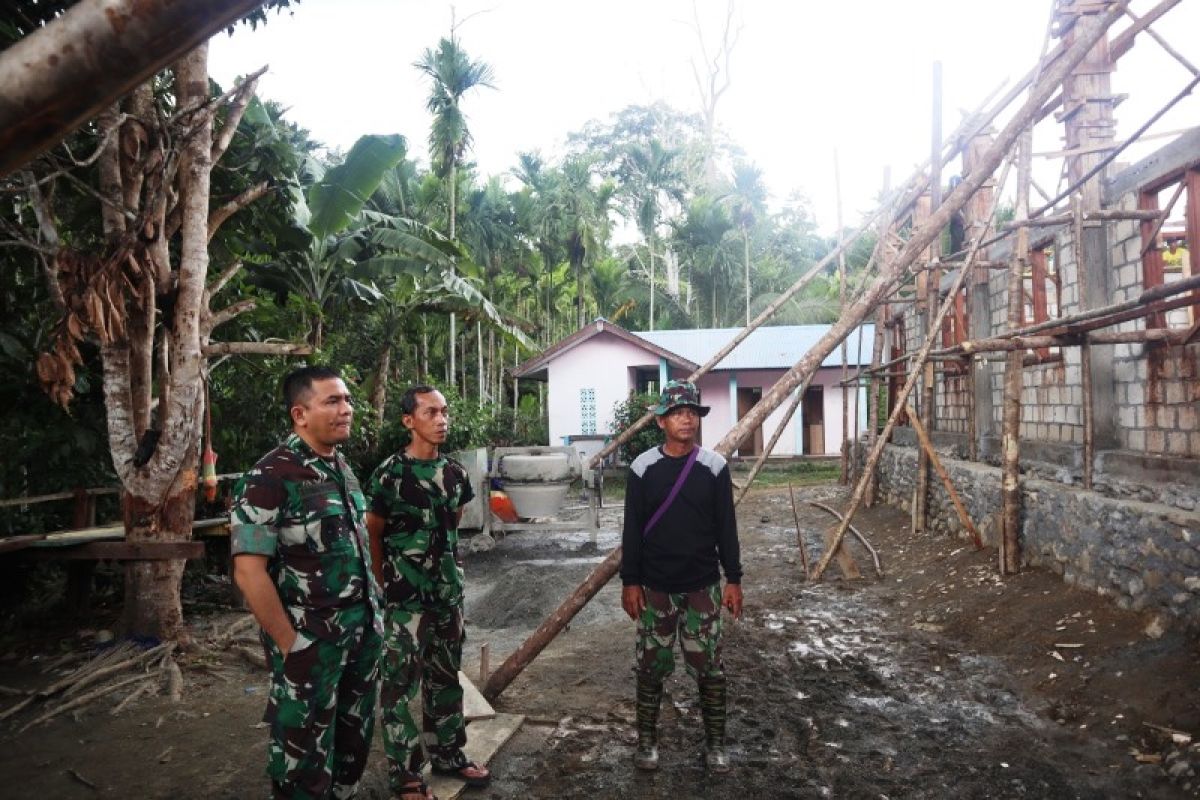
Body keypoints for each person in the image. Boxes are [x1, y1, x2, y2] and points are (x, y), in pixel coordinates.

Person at [230, 366, 384, 800]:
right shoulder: (270, 477)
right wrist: (288, 642)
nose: (347, 409)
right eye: (333, 401)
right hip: (311, 641)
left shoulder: (341, 469)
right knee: (303, 757)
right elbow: (248, 570)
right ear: (300, 413)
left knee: (351, 746)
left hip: (361, 634)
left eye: (348, 399)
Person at [366, 386, 490, 800]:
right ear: (409, 421)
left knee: (445, 679)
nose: (441, 419)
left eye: (444, 412)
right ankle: (405, 774)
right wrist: (385, 586)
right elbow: (373, 533)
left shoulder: (455, 473)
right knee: (400, 685)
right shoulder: (390, 474)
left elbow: (451, 526)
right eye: (431, 412)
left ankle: (449, 755)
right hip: (404, 600)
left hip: (446, 596)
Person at [620, 379, 743, 774]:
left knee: (709, 669)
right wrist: (630, 582)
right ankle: (647, 743)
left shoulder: (714, 467)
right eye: (677, 413)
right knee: (651, 668)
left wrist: (734, 579)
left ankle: (716, 744)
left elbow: (727, 528)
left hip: (702, 588)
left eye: (692, 412)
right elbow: (632, 531)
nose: (686, 419)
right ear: (661, 422)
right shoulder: (643, 469)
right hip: (656, 589)